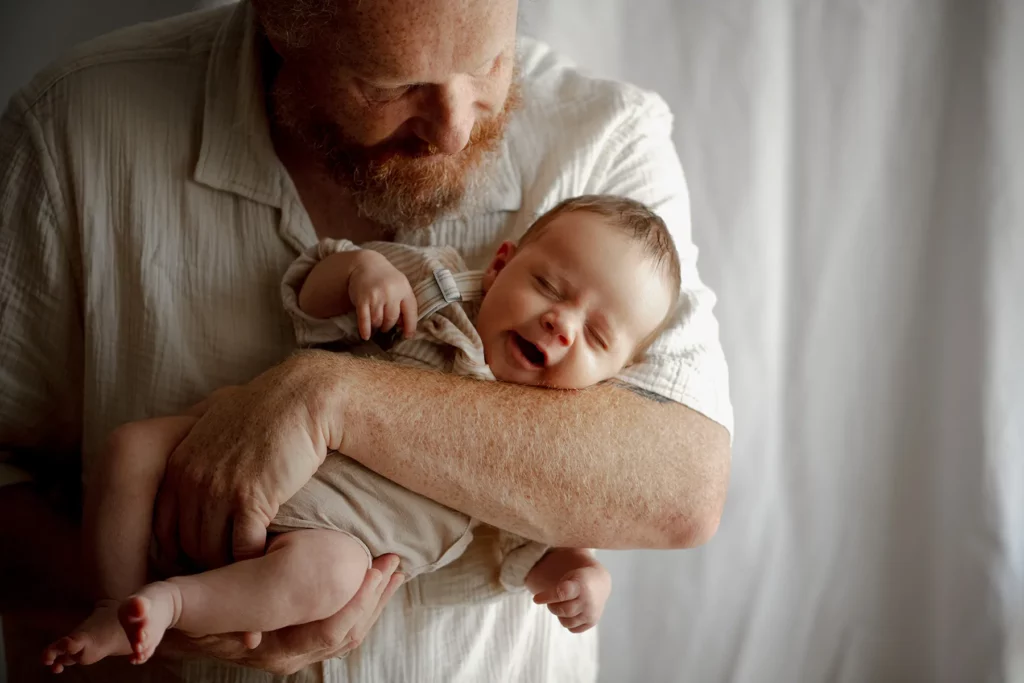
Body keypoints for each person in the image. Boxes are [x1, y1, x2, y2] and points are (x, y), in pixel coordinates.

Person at [0, 0, 733, 680]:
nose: (452, 127)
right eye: (391, 82)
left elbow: (682, 488)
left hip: (337, 553)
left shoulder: (608, 142)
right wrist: (166, 599)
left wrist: (330, 397)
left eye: (487, 64)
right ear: (281, 21)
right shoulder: (74, 128)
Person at [43, 194, 674, 671]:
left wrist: (579, 573)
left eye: (594, 338)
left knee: (330, 580)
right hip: (226, 444)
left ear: (613, 378)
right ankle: (112, 603)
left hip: (335, 535)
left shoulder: (545, 441)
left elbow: (534, 543)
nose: (561, 324)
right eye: (548, 286)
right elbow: (308, 294)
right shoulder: (434, 288)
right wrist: (359, 273)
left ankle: (172, 606)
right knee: (132, 446)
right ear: (503, 263)